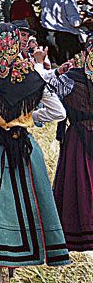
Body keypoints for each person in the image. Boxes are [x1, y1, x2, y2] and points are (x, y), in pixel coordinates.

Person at [0, 23, 70, 283]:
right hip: (24, 148)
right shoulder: (30, 76)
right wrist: (29, 118)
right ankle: (11, 269)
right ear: (17, 45)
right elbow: (58, 111)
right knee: (25, 208)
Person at [52, 40, 93, 253]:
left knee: (80, 181)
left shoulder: (69, 79)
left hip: (79, 135)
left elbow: (49, 95)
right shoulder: (70, 78)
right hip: (79, 134)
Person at [40, 0, 85, 65]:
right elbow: (75, 22)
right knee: (69, 69)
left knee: (54, 67)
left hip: (48, 35)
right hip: (66, 39)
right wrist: (82, 17)